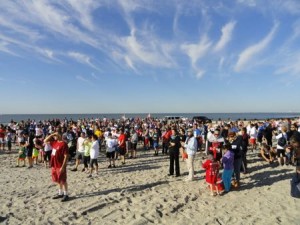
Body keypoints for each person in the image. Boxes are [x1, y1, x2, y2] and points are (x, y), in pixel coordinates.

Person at [44, 131, 69, 202]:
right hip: (54, 165)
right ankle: (60, 193)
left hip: (60, 165)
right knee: (58, 180)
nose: (55, 136)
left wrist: (63, 167)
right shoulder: (54, 142)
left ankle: (66, 194)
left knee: (63, 180)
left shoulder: (64, 144)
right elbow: (45, 140)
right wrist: (52, 134)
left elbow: (66, 156)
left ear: (60, 135)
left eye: (56, 135)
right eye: (54, 136)